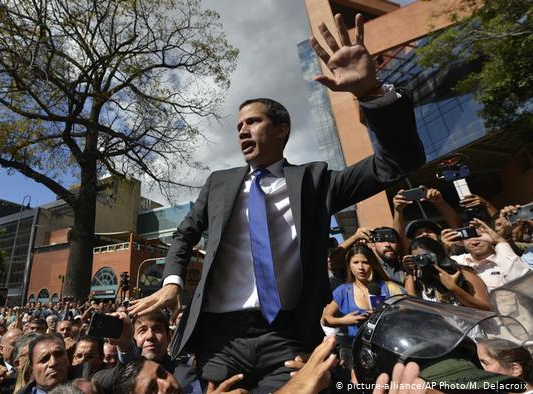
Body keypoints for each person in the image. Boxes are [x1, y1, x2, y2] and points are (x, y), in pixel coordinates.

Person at [129, 12, 425, 392]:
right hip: (220, 338)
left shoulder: (316, 181)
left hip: (287, 334)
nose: (242, 131)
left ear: (282, 129)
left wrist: (370, 93)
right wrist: (172, 282)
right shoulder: (219, 184)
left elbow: (398, 161)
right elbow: (184, 235)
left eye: (252, 122)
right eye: (238, 127)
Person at [322, 245, 404, 372]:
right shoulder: (343, 291)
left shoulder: (388, 287)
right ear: (349, 266)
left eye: (365, 262)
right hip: (351, 349)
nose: (360, 267)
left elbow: (407, 309)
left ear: (372, 264)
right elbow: (325, 319)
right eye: (356, 262)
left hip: (385, 346)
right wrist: (345, 321)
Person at [403, 236, 490, 310]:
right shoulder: (421, 280)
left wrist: (454, 288)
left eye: (425, 256)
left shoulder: (462, 273)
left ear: (438, 254)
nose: (423, 261)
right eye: (417, 258)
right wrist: (409, 272)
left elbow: (486, 308)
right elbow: (413, 305)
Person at [444, 218, 530, 291]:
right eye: (467, 238)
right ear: (461, 242)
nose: (474, 242)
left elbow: (523, 285)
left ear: (491, 236)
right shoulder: (457, 261)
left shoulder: (505, 257)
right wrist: (444, 250)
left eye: (478, 236)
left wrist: (499, 240)